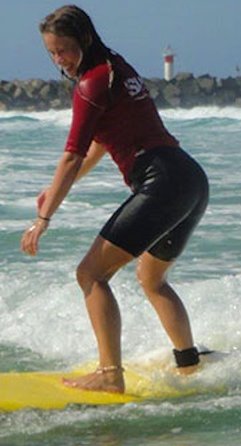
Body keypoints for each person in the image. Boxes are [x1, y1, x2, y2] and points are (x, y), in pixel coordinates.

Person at [21, 5, 210, 394]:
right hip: (189, 179)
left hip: (162, 182)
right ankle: (189, 366)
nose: (60, 60)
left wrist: (44, 219)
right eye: (52, 53)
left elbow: (72, 154)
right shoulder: (116, 67)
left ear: (84, 40)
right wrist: (54, 192)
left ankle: (110, 375)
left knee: (90, 275)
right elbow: (100, 145)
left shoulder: (92, 83)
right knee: (151, 279)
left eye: (65, 50)